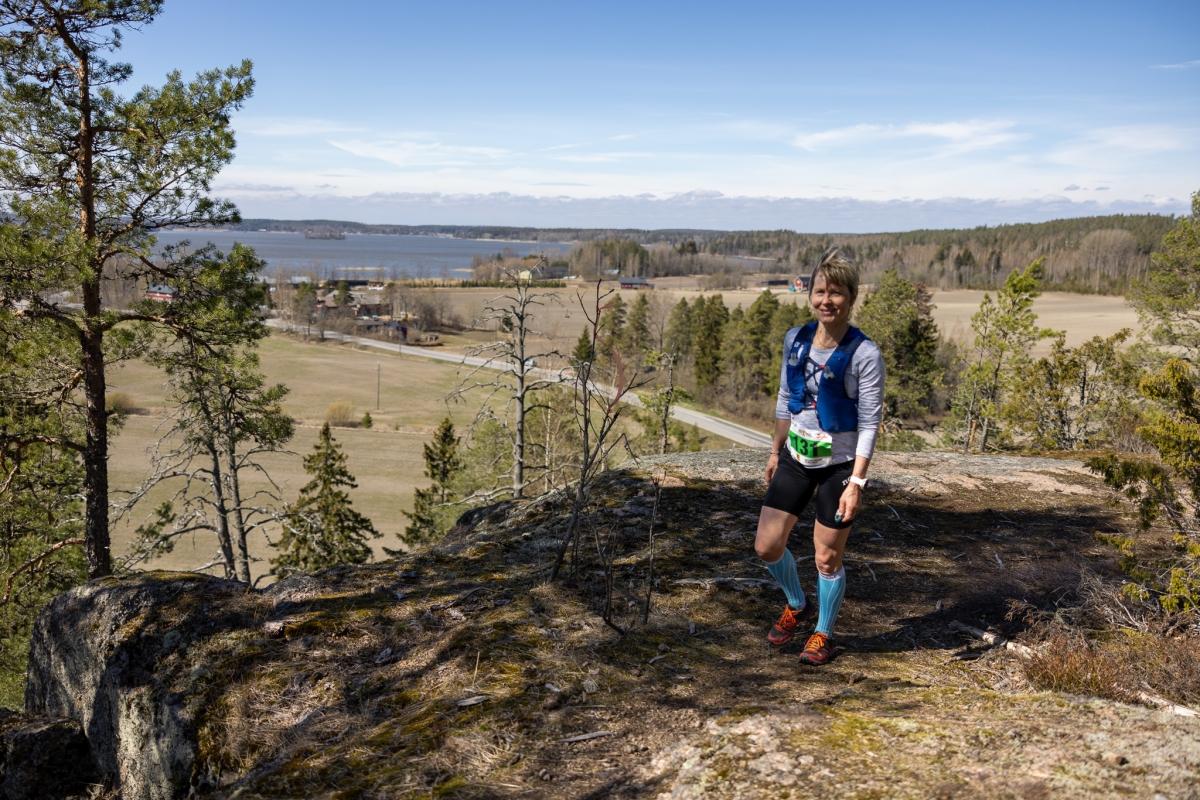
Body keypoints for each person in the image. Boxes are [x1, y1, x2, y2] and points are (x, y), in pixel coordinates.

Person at [755, 248, 884, 665]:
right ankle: (797, 604)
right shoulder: (795, 339)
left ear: (851, 297)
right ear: (810, 294)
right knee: (767, 546)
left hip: (839, 468)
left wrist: (856, 483)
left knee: (827, 558)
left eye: (836, 293)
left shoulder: (865, 354)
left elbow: (870, 422)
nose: (827, 301)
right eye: (820, 292)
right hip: (796, 458)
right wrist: (775, 451)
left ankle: (823, 633)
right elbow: (785, 397)